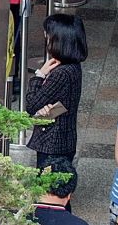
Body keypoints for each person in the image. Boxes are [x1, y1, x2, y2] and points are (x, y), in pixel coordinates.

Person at [25, 14, 88, 170]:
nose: (46, 40)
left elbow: (31, 105)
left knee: (48, 190)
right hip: (64, 140)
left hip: (53, 143)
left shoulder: (61, 73)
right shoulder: (74, 67)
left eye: (49, 37)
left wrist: (39, 75)